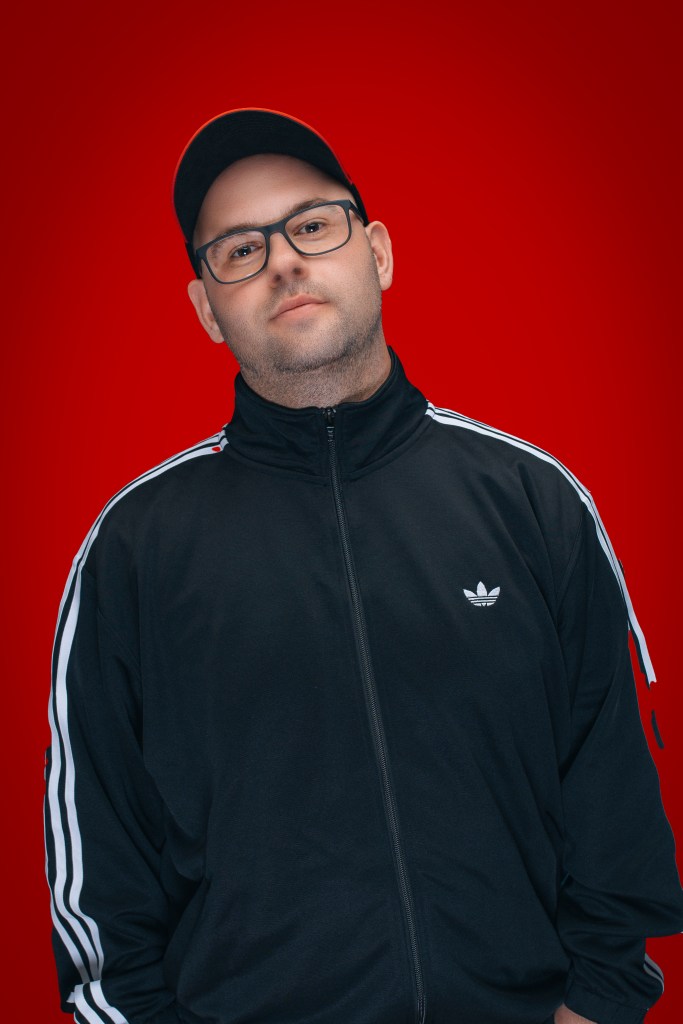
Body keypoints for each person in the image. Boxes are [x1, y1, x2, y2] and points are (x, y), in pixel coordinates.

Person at [44, 108, 683, 1024]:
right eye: (239, 249)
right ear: (206, 309)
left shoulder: (533, 502)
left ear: (376, 253)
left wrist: (596, 1004)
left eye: (312, 225)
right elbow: (98, 873)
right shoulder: (133, 550)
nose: (282, 261)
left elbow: (612, 795)